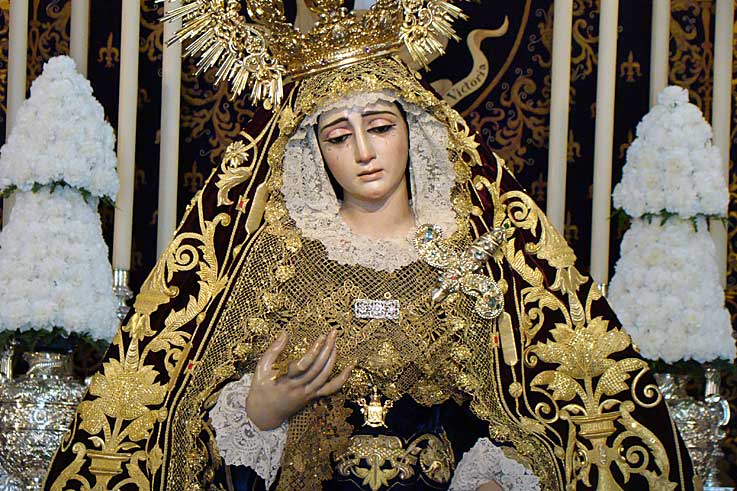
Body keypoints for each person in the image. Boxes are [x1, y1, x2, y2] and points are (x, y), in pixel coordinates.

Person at [43, 2, 697, 490]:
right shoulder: (277, 257)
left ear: (413, 128)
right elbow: (190, 411)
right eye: (338, 136)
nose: (362, 151)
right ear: (312, 149)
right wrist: (260, 410)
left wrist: (493, 475)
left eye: (380, 126)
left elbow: (530, 405)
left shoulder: (474, 253)